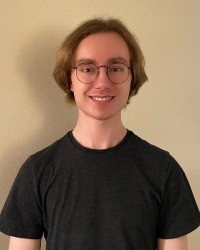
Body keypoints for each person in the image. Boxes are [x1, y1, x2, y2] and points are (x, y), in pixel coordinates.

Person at [0, 17, 199, 250]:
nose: (102, 82)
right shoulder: (37, 171)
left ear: (132, 78)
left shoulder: (163, 170)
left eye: (116, 68)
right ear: (69, 79)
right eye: (87, 68)